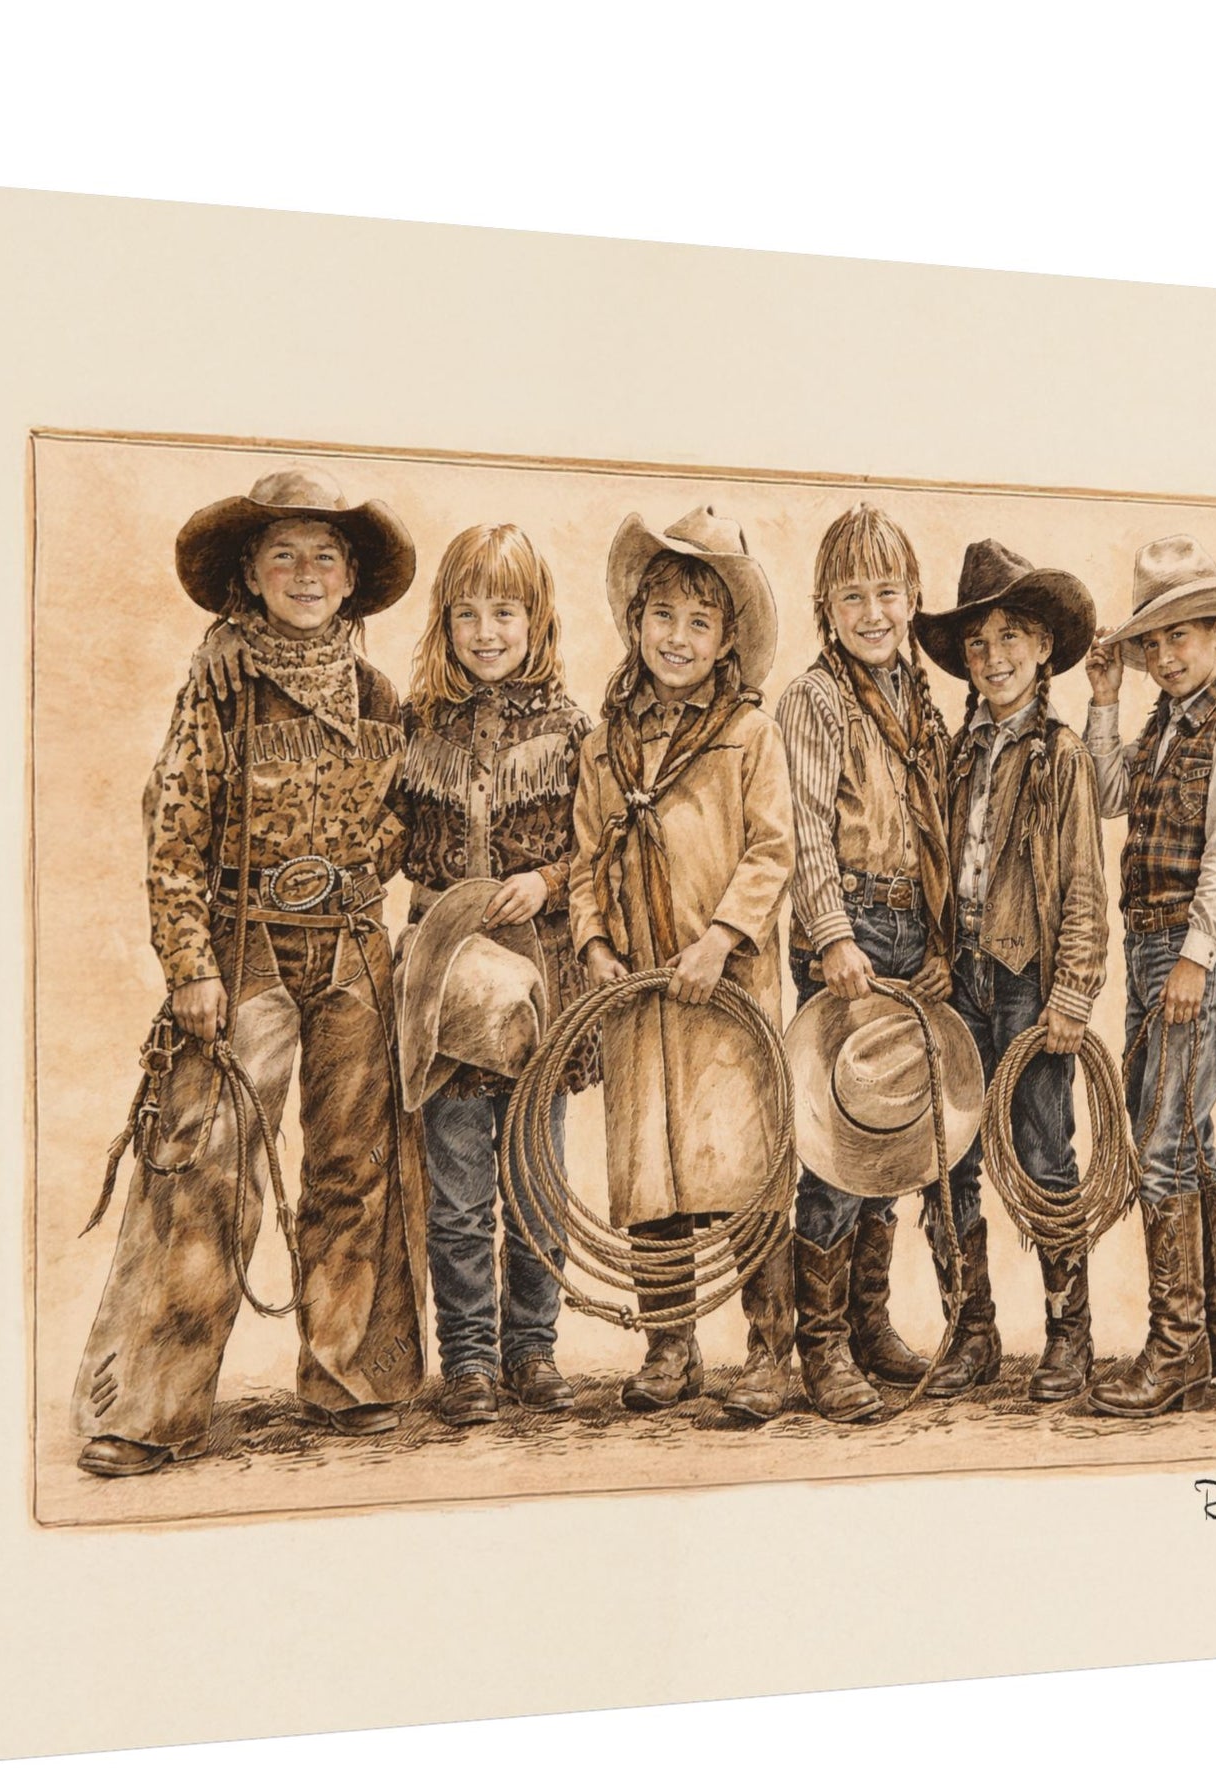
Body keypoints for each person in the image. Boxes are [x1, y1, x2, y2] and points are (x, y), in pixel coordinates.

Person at [71, 467, 426, 1477]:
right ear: (251, 574)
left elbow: (403, 814)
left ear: (350, 578)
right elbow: (172, 830)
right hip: (243, 950)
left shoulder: (378, 695)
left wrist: (366, 863)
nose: (306, 574)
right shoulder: (217, 685)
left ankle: (354, 1379)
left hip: (353, 950)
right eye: (284, 555)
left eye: (325, 556)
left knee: (355, 1167)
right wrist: (190, 965)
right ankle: (150, 1408)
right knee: (206, 1171)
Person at [567, 507, 797, 1422]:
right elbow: (586, 857)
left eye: (700, 622)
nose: (678, 637)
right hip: (638, 995)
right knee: (651, 1172)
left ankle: (770, 1350)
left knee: (747, 1168)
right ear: (635, 622)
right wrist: (593, 943)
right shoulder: (603, 743)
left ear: (727, 639)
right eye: (662, 616)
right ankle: (669, 1347)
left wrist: (721, 939)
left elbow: (772, 850)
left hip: (725, 987)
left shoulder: (751, 734)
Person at [388, 524, 595, 1426]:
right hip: (444, 982)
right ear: (444, 622)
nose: (485, 632)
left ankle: (532, 1349)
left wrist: (546, 881)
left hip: (540, 980)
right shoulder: (415, 726)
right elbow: (385, 837)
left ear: (536, 619)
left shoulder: (571, 728)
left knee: (536, 1182)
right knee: (459, 1187)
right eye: (466, 614)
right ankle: (469, 1358)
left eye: (504, 612)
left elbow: (601, 849)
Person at [1081, 535, 1216, 1417]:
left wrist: (1198, 956)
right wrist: (1103, 701)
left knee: (1163, 1144)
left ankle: (1176, 1348)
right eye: (1153, 642)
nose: (1165, 657)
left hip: (1190, 953)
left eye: (1182, 637)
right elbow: (1107, 794)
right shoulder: (1165, 724)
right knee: (1185, 1136)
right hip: (1150, 948)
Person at [912, 541, 1109, 1402]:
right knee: (947, 1156)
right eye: (978, 643)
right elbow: (937, 869)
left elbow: (1083, 886)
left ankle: (1070, 1334)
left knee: (1042, 1153)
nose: (993, 658)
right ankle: (971, 1330)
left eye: (1010, 638)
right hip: (962, 978)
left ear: (1042, 649)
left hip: (1028, 981)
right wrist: (935, 954)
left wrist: (1073, 992)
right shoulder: (956, 755)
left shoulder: (1061, 755)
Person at [773, 504, 952, 1422]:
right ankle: (822, 1344)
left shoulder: (921, 702)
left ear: (913, 598)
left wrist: (941, 943)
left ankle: (870, 1322)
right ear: (825, 607)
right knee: (838, 1148)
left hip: (912, 932)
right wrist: (834, 935)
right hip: (849, 935)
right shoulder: (815, 700)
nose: (873, 613)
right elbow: (806, 828)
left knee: (894, 1142)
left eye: (887, 593)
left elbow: (941, 833)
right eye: (853, 597)